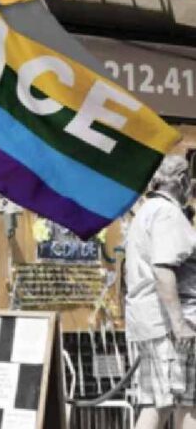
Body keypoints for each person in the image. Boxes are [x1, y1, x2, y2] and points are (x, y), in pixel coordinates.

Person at [125, 155, 196, 429]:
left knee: (160, 402)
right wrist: (179, 324)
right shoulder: (168, 213)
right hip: (172, 324)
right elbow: (163, 268)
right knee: (184, 403)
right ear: (181, 180)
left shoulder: (146, 210)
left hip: (151, 322)